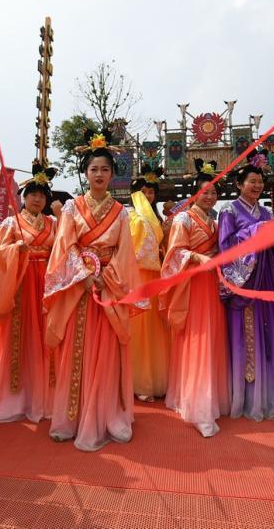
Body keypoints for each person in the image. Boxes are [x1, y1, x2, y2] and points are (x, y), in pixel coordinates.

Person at [43, 128, 144, 451]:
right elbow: (65, 245)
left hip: (108, 287)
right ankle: (72, 417)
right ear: (85, 173)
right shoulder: (71, 209)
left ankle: (108, 415)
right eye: (93, 169)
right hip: (79, 288)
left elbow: (125, 253)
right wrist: (84, 276)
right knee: (77, 349)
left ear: (113, 174)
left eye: (105, 169)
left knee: (107, 350)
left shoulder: (121, 212)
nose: (99, 174)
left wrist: (106, 277)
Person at [218, 148, 274, 421]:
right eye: (252, 181)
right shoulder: (228, 210)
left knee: (269, 332)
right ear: (239, 184)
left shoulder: (267, 212)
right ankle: (248, 396)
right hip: (246, 279)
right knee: (246, 335)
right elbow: (226, 246)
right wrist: (256, 231)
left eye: (260, 182)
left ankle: (270, 393)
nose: (257, 186)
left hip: (267, 277)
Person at [0, 161, 59, 423]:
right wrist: (16, 249)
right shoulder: (11, 223)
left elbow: (60, 252)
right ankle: (16, 398)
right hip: (20, 283)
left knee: (45, 335)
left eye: (42, 195)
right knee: (20, 335)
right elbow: (0, 253)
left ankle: (46, 397)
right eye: (33, 194)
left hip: (46, 283)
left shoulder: (53, 223)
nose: (37, 199)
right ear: (24, 198)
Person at [161, 159, 230, 437]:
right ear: (195, 194)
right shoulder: (183, 219)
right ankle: (197, 404)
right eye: (205, 192)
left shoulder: (215, 221)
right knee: (196, 339)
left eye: (214, 192)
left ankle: (209, 397)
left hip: (211, 284)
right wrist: (197, 257)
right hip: (192, 284)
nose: (210, 196)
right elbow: (174, 253)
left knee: (211, 337)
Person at [128, 164, 170, 401]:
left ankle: (156, 379)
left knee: (156, 328)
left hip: (157, 277)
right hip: (138, 276)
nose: (148, 195)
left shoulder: (158, 218)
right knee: (139, 328)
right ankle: (139, 382)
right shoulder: (130, 216)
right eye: (143, 191)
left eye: (151, 192)